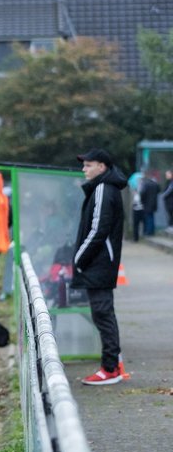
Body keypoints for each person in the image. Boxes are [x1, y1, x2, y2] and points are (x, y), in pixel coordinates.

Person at [72, 149, 127, 386]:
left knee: (103, 314)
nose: (84, 169)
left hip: (99, 263)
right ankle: (114, 363)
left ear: (102, 167)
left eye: (88, 165)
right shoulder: (103, 187)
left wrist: (79, 258)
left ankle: (110, 369)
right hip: (101, 263)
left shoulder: (104, 189)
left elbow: (98, 229)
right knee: (104, 314)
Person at [138, 168, 159, 239]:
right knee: (152, 217)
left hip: (147, 204)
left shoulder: (146, 184)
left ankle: (149, 232)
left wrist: (142, 201)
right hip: (154, 204)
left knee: (148, 218)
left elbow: (142, 194)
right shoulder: (155, 184)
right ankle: (152, 231)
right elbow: (159, 190)